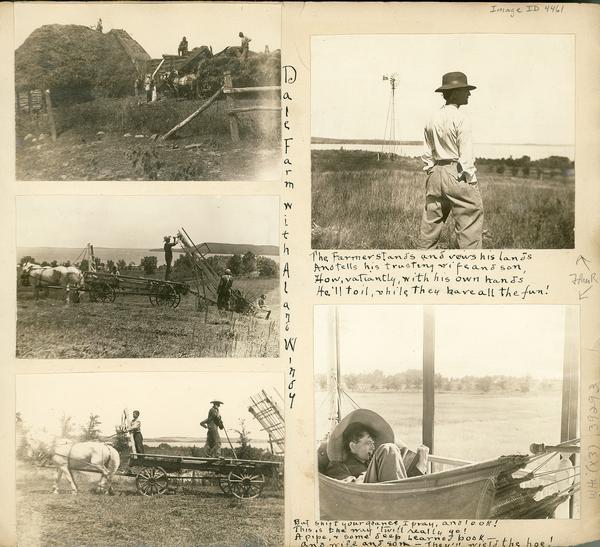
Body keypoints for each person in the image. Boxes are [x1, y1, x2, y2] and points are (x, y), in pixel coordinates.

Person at [419, 71, 483, 250]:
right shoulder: (461, 118)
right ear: (455, 92)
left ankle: (421, 266)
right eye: (465, 90)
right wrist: (470, 180)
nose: (469, 94)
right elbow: (466, 156)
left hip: (435, 174)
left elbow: (427, 153)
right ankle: (470, 270)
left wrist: (432, 170)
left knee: (430, 227)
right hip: (457, 172)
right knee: (470, 222)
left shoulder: (431, 118)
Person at [325, 409, 427, 483]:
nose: (373, 447)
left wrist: (422, 463)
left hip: (391, 497)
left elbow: (405, 481)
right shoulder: (338, 466)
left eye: (373, 443)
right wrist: (373, 473)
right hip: (369, 499)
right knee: (388, 448)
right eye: (368, 443)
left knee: (398, 449)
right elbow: (348, 488)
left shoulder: (373, 461)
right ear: (353, 446)